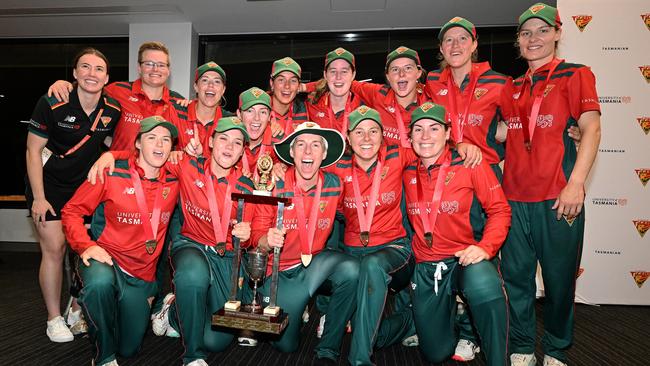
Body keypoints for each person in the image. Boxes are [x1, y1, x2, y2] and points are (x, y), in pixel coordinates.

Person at [90, 117, 256, 365]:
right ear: (210, 141)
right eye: (223, 139)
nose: (229, 147)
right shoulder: (188, 165)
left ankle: (174, 311)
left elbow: (252, 234)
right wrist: (112, 154)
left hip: (226, 256)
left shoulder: (246, 186)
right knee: (192, 275)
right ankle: (193, 356)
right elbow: (149, 154)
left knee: (217, 341)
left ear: (243, 149)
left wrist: (248, 233)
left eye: (237, 142)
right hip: (191, 245)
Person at [501, 4, 601, 366]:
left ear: (558, 34)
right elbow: (502, 132)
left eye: (542, 31)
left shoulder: (576, 75)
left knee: (559, 283)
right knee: (517, 282)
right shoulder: (511, 87)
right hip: (513, 199)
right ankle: (524, 346)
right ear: (518, 41)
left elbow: (590, 128)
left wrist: (576, 183)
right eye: (526, 33)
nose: (534, 39)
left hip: (558, 198)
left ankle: (557, 348)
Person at [425, 16, 517, 361]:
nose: (455, 45)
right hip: (444, 176)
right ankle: (451, 328)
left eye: (462, 39)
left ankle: (472, 334)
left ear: (475, 44)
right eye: (448, 41)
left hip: (481, 173)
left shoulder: (497, 80)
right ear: (441, 49)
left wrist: (491, 144)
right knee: (444, 252)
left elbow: (516, 123)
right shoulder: (432, 81)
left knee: (477, 256)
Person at [61, 116, 180, 366]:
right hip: (107, 259)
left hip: (142, 275)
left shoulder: (175, 178)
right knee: (100, 284)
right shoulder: (111, 171)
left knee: (129, 349)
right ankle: (103, 356)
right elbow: (71, 211)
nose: (159, 144)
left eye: (166, 139)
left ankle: (109, 313)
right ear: (137, 143)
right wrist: (86, 245)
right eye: (151, 138)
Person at [403, 102, 511, 365]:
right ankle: (457, 319)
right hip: (428, 266)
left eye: (434, 128)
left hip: (463, 258)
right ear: (410, 137)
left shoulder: (470, 163)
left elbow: (500, 210)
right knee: (435, 353)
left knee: (485, 286)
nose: (425, 136)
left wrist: (486, 247)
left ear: (448, 133)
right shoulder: (405, 170)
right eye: (418, 130)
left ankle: (497, 359)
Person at [25, 47, 121, 342]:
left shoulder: (113, 110)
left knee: (86, 249)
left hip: (83, 188)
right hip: (48, 185)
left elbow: (110, 143)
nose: (92, 73)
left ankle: (76, 307)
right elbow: (33, 151)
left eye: (99, 69)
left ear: (107, 77)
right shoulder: (53, 101)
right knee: (55, 248)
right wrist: (39, 198)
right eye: (86, 67)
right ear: (75, 73)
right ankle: (53, 318)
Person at [250, 121, 358, 364]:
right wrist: (268, 239)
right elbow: (256, 236)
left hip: (314, 264)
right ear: (291, 152)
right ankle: (265, 301)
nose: (308, 152)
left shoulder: (334, 184)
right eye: (301, 145)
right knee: (286, 347)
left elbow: (353, 212)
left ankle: (329, 347)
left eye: (315, 145)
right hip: (279, 272)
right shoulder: (274, 183)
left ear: (324, 153)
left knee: (352, 269)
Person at [330, 106, 418, 366]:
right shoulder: (338, 168)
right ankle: (410, 320)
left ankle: (360, 360)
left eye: (373, 131)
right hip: (353, 251)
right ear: (348, 137)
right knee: (368, 332)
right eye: (359, 132)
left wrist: (464, 145)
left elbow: (433, 147)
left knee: (372, 264)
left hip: (394, 250)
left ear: (383, 136)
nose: (366, 138)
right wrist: (278, 169)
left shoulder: (398, 156)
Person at [48, 41, 187, 151]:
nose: (155, 69)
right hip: (120, 176)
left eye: (161, 65)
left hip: (161, 180)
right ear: (139, 68)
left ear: (168, 70)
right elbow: (89, 88)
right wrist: (66, 85)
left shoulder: (179, 103)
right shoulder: (117, 90)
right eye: (149, 64)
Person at [177, 62, 233, 156]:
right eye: (205, 80)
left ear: (223, 90)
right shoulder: (177, 112)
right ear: (196, 87)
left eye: (217, 81)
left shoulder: (229, 122)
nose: (211, 85)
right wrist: (171, 154)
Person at [306, 47, 363, 134]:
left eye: (344, 71)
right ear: (325, 75)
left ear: (353, 75)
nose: (338, 77)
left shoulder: (363, 109)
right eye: (333, 71)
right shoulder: (311, 105)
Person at [268, 57, 309, 135]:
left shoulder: (306, 108)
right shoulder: (258, 108)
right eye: (281, 80)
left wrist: (307, 87)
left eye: (293, 81)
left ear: (299, 86)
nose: (287, 86)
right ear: (272, 83)